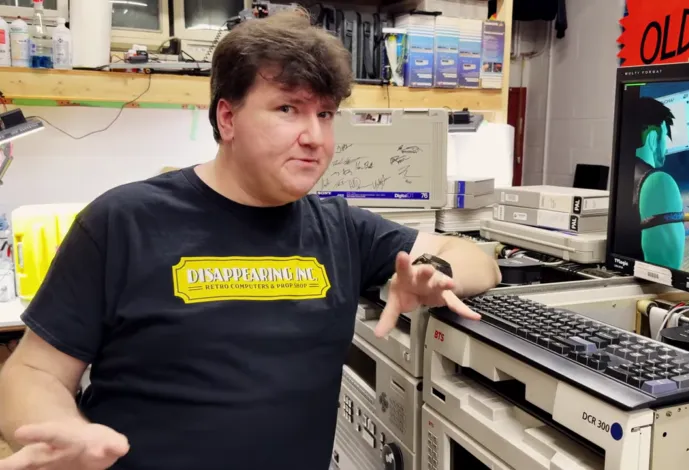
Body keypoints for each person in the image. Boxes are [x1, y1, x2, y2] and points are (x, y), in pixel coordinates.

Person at [0, 11, 500, 470]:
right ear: (227, 119)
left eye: (324, 114)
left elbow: (479, 261)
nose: (314, 136)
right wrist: (64, 431)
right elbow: (31, 373)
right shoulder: (123, 221)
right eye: (288, 108)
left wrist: (437, 272)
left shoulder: (339, 228)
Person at [626, 97, 685, 270]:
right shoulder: (658, 182)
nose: (666, 148)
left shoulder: (623, 171)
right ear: (652, 137)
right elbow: (667, 269)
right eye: (665, 136)